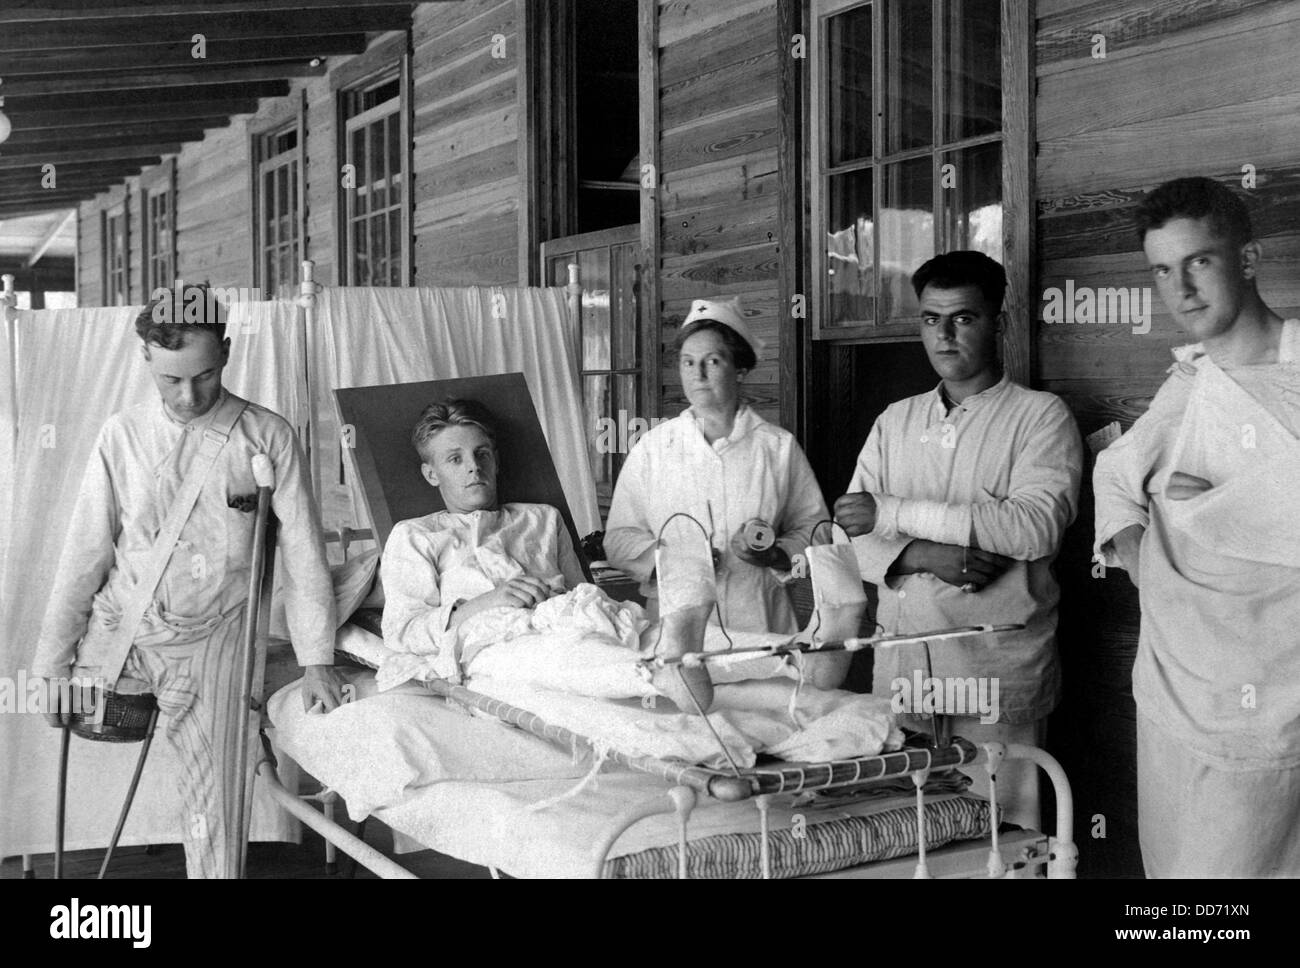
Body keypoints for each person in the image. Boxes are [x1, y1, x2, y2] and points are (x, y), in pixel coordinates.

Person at [31, 284, 342, 878]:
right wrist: (51, 669)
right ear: (145, 357)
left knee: (216, 798)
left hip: (213, 638)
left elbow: (303, 556)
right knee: (76, 735)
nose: (189, 394)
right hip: (120, 627)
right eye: (170, 380)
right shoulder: (121, 434)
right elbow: (84, 556)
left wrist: (317, 658)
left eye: (202, 375)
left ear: (225, 351)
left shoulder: (267, 436)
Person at [1093, 176, 1300, 877]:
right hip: (1173, 689)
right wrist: (1141, 556)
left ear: (1247, 258)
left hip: (1270, 701)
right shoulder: (1189, 384)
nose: (1180, 289)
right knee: (1175, 884)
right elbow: (1115, 475)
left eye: (1200, 261)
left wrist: (1215, 509)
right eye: (1161, 270)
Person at [833, 251, 1082, 830]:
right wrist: (926, 555)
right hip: (905, 666)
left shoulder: (1040, 417)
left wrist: (894, 514)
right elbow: (851, 534)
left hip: (994, 670)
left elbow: (1033, 525)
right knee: (906, 834)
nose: (942, 335)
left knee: (1004, 836)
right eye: (929, 319)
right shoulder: (895, 421)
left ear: (997, 320)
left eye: (962, 318)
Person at [604, 297, 829, 648]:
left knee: (764, 698)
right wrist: (672, 560)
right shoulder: (653, 448)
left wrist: (776, 554)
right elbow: (619, 538)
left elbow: (817, 531)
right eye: (688, 362)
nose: (698, 374)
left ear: (739, 369)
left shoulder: (776, 448)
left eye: (713, 360)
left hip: (759, 622)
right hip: (674, 624)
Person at [379, 397, 590, 683]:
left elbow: (584, 595)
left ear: (496, 460)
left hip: (567, 630)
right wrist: (485, 603)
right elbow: (403, 633)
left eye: (482, 454)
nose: (474, 467)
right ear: (431, 474)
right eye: (455, 459)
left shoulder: (544, 519)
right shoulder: (415, 536)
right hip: (491, 653)